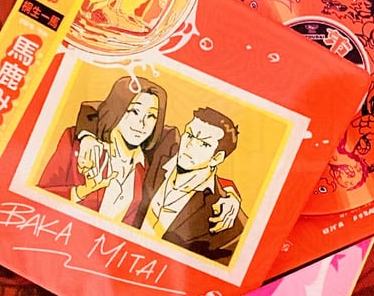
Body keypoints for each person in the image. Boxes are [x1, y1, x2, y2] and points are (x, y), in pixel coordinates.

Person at [37, 74, 176, 225]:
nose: (141, 123)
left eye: (151, 116)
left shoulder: (146, 168)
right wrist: (79, 192)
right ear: (118, 109)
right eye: (134, 111)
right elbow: (38, 196)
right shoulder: (75, 142)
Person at [137, 106, 247, 264]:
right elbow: (113, 111)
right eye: (189, 134)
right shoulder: (162, 147)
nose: (190, 145)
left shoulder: (220, 210)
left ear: (216, 158)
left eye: (203, 144)